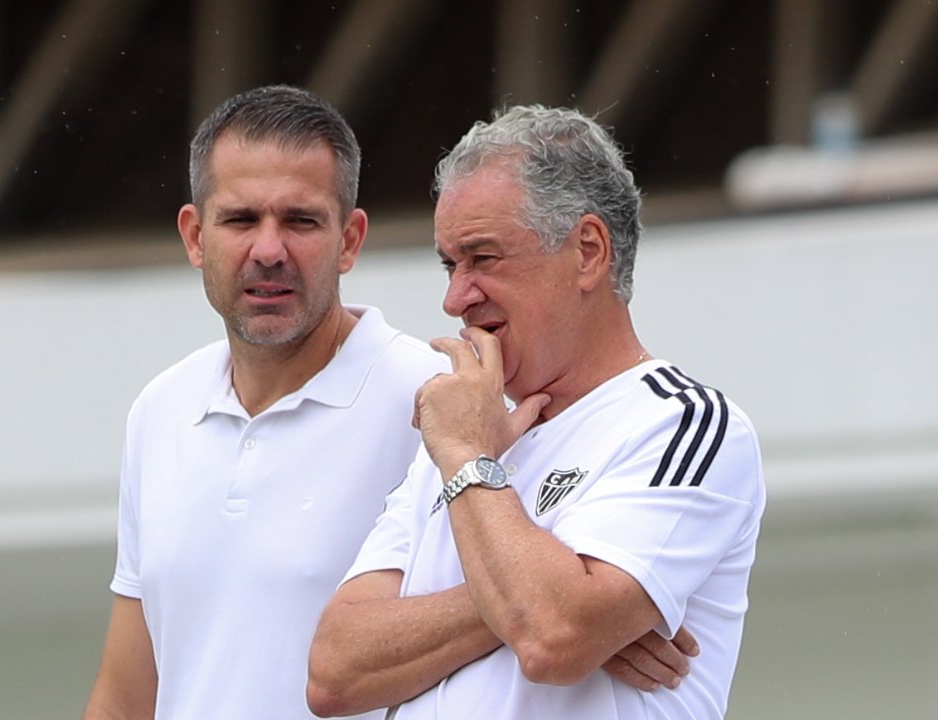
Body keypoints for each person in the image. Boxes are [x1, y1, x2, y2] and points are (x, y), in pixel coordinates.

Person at [83, 87, 695, 720]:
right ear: (194, 236)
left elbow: (549, 609)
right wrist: (530, 613)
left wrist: (580, 617)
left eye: (301, 221)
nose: (268, 250)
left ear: (350, 240)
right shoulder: (160, 410)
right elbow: (128, 696)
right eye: (240, 220)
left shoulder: (443, 400)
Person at [306, 105, 766, 719]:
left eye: (483, 258)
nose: (455, 298)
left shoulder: (683, 424)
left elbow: (553, 639)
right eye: (450, 265)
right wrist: (518, 607)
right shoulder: (461, 437)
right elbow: (335, 672)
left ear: (588, 252)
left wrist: (469, 464)